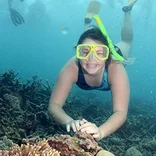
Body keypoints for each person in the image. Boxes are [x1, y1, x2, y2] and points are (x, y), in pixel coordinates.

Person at [48, 0, 137, 141]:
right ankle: (87, 24)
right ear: (77, 52)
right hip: (91, 54)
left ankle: (127, 11)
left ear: (107, 54)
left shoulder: (116, 68)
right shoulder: (72, 67)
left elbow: (120, 112)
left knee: (127, 42)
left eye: (100, 53)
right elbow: (54, 105)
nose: (91, 59)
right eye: (84, 51)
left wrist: (100, 131)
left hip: (116, 54)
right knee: (89, 43)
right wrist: (69, 121)